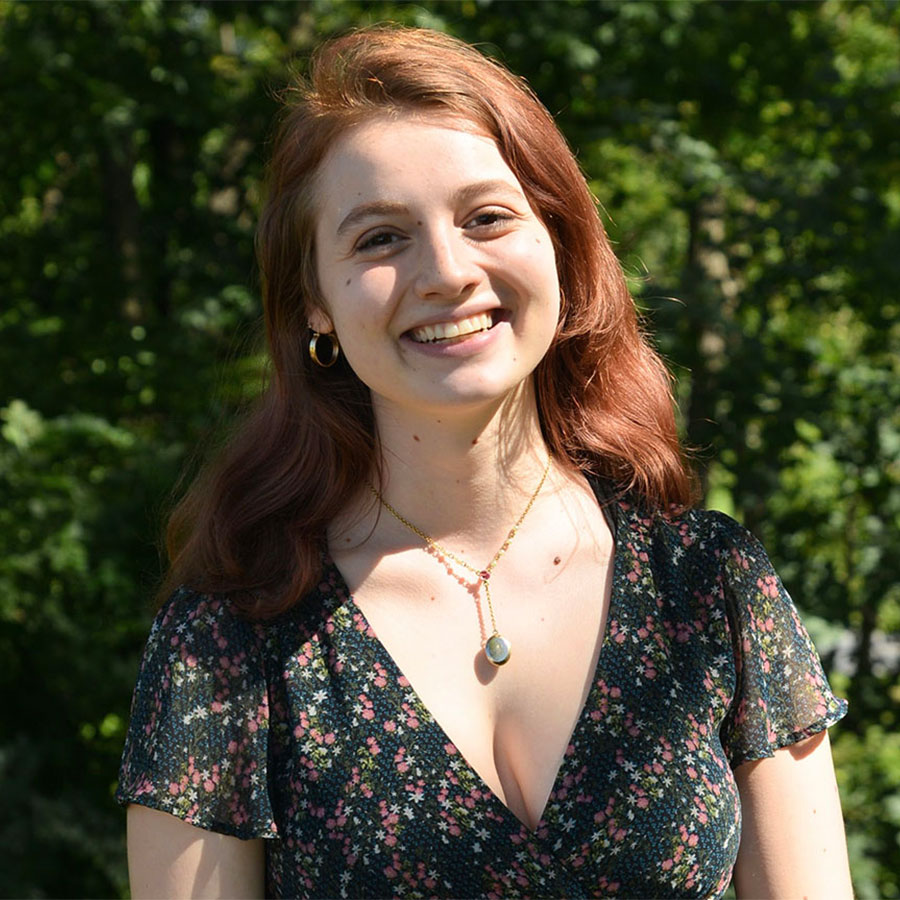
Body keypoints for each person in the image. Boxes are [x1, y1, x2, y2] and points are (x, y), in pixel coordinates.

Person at [117, 25, 853, 900]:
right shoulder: (229, 642)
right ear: (315, 304)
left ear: (560, 244)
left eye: (487, 218)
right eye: (380, 239)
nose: (446, 271)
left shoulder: (708, 587)